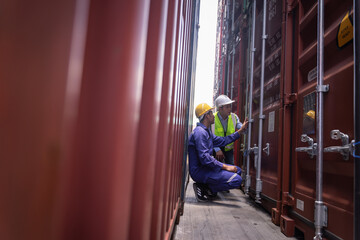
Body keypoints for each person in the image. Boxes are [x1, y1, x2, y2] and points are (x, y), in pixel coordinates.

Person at [188, 103, 249, 202]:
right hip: (200, 171)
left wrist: (240, 131)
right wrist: (225, 166)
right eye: (211, 113)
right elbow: (204, 158)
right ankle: (205, 189)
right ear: (207, 115)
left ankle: (207, 185)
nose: (213, 116)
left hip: (206, 168)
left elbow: (223, 141)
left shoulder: (206, 132)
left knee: (237, 170)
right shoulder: (200, 133)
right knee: (237, 180)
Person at [211, 95, 244, 165]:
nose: (230, 109)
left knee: (231, 169)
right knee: (216, 170)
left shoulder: (234, 117)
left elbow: (241, 128)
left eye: (230, 106)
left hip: (228, 150)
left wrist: (245, 127)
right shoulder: (212, 118)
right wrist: (217, 149)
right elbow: (209, 137)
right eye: (227, 107)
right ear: (220, 108)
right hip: (215, 150)